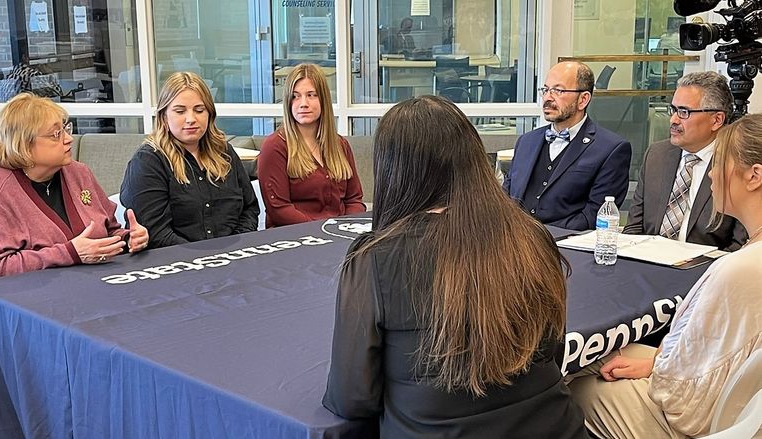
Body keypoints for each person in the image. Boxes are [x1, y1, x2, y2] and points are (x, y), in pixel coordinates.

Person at [322, 95, 588, 438]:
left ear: (393, 171)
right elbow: (554, 351)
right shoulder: (533, 237)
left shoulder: (375, 258)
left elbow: (352, 399)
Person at [568, 113, 762, 439]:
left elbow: (684, 406)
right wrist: (657, 364)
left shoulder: (740, 270)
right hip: (713, 394)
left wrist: (658, 372)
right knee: (601, 356)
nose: (711, 174)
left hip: (690, 419)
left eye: (719, 163)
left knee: (563, 388)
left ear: (754, 176)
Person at [0, 94, 148, 280]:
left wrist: (128, 239)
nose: (69, 139)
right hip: (36, 299)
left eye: (66, 129)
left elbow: (109, 230)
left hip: (100, 284)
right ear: (24, 145)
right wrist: (68, 253)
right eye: (56, 134)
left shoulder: (79, 172)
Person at [120, 72, 259, 249]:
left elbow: (249, 208)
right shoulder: (148, 161)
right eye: (180, 111)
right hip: (176, 263)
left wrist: (235, 248)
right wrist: (203, 258)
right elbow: (156, 233)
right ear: (164, 117)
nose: (191, 119)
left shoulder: (224, 152)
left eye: (199, 110)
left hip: (233, 257)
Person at [624, 71, 746, 250]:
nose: (673, 120)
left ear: (717, 120)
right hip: (647, 267)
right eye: (673, 110)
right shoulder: (657, 155)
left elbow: (739, 246)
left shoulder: (738, 164)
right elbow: (634, 228)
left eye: (684, 112)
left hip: (706, 273)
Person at [504, 61, 632, 231]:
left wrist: (539, 236)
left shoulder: (611, 149)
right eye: (546, 90)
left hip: (566, 248)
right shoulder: (526, 142)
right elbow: (505, 198)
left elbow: (594, 216)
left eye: (558, 90)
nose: (548, 97)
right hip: (513, 243)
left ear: (583, 99)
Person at [258, 63, 365, 228]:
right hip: (296, 238)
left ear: (323, 99)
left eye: (311, 95)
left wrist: (347, 228)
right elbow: (279, 209)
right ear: (287, 102)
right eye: (295, 96)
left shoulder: (340, 145)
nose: (303, 103)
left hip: (339, 234)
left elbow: (354, 200)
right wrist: (321, 231)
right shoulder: (275, 147)